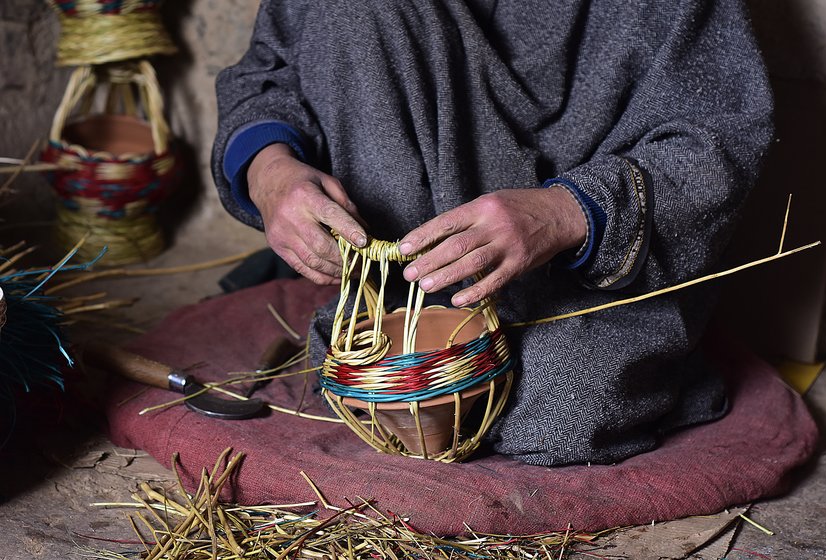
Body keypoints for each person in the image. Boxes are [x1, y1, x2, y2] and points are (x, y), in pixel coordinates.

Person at [212, 0, 773, 466]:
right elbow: (269, 69)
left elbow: (715, 143)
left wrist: (564, 213)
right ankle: (395, 331)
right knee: (352, 11)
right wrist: (268, 171)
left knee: (559, 414)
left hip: (583, 280)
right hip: (405, 295)